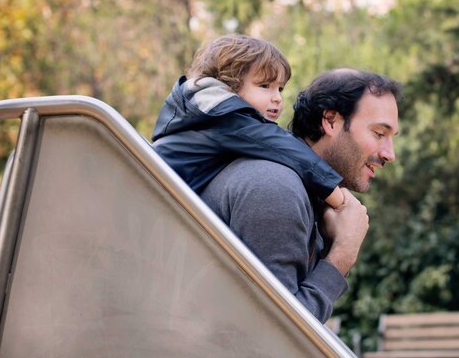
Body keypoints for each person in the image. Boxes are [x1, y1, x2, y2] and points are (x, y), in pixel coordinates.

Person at [201, 68, 401, 322]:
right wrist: (342, 255)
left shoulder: (303, 191)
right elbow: (279, 332)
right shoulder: (276, 188)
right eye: (379, 134)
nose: (389, 154)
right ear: (330, 121)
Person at [152, 34, 345, 208]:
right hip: (152, 193)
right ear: (229, 86)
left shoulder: (205, 112)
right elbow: (283, 147)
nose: (277, 98)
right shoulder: (225, 117)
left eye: (280, 89)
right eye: (264, 86)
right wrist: (339, 199)